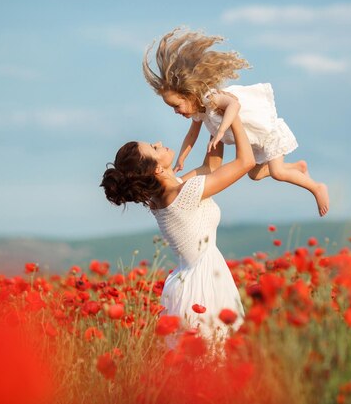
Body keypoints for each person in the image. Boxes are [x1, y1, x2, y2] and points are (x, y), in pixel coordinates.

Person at [100, 112, 255, 347]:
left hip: (191, 281)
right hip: (204, 285)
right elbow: (246, 162)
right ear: (157, 170)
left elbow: (210, 165)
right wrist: (232, 114)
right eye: (154, 148)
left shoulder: (167, 195)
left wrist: (212, 117)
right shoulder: (183, 194)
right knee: (216, 361)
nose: (159, 144)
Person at [143, 27, 330, 217]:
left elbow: (234, 104)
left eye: (177, 105)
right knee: (255, 175)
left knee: (277, 172)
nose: (176, 111)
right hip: (254, 142)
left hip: (268, 132)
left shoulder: (210, 98)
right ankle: (297, 167)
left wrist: (222, 130)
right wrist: (182, 157)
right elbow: (192, 135)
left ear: (189, 95)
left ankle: (316, 188)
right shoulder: (200, 113)